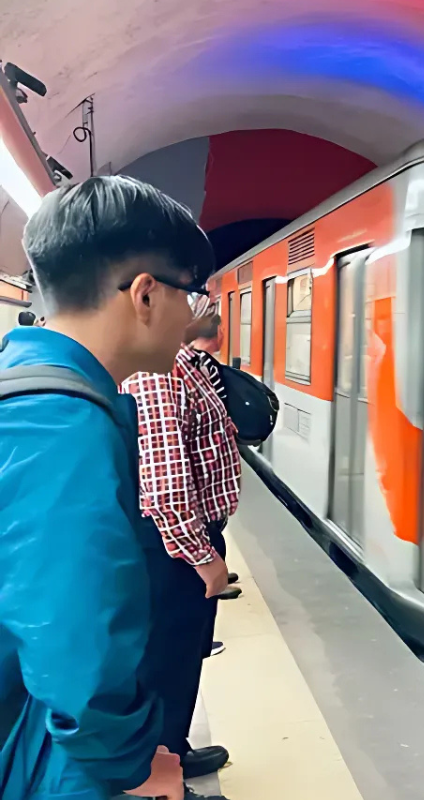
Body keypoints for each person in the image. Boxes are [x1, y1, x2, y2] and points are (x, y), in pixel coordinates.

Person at [0, 175, 212, 800]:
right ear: (146, 295)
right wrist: (130, 769)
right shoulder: (61, 423)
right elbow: (75, 646)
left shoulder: (27, 385)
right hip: (42, 750)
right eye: (190, 293)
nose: (194, 314)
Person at [123, 296, 242, 788]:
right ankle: (159, 778)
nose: (206, 300)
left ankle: (173, 747)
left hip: (186, 538)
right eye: (193, 290)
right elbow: (165, 481)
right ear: (150, 295)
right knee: (167, 661)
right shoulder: (157, 371)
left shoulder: (184, 360)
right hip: (173, 546)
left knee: (182, 656)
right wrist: (203, 556)